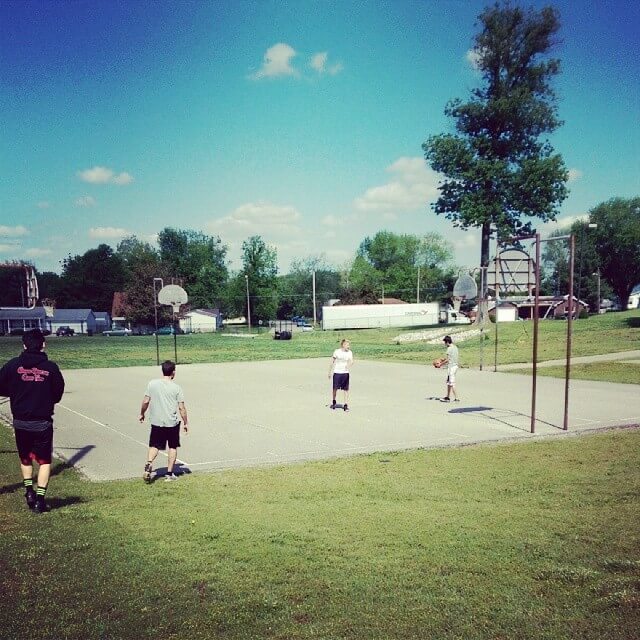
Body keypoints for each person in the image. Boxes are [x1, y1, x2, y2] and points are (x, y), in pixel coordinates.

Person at [0, 329, 65, 513]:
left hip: (20, 422)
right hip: (42, 422)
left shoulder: (13, 365)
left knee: (25, 458)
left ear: (24, 345)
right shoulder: (51, 368)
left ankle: (29, 490)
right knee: (44, 462)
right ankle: (40, 499)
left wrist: (14, 391)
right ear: (43, 345)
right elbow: (58, 392)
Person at [139, 360, 189, 482]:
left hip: (156, 422)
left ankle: (149, 463)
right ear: (173, 372)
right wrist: (186, 422)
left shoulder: (152, 384)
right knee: (172, 446)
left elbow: (145, 401)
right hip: (171, 423)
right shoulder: (176, 388)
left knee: (154, 445)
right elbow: (181, 408)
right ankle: (169, 474)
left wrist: (142, 413)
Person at [328, 339, 353, 411]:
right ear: (343, 345)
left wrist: (349, 365)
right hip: (337, 373)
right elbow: (332, 362)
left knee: (346, 389)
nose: (349, 346)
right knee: (335, 388)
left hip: (345, 373)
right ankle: (334, 401)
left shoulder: (349, 352)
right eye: (348, 345)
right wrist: (329, 372)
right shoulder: (337, 351)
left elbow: (351, 361)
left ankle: (345, 405)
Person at [440, 335, 460, 402]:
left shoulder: (449, 348)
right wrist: (444, 360)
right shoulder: (455, 347)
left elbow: (448, 360)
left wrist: (440, 364)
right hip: (455, 366)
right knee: (448, 382)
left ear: (447, 342)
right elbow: (451, 358)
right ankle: (447, 397)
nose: (444, 344)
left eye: (445, 342)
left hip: (451, 367)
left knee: (452, 383)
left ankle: (456, 398)